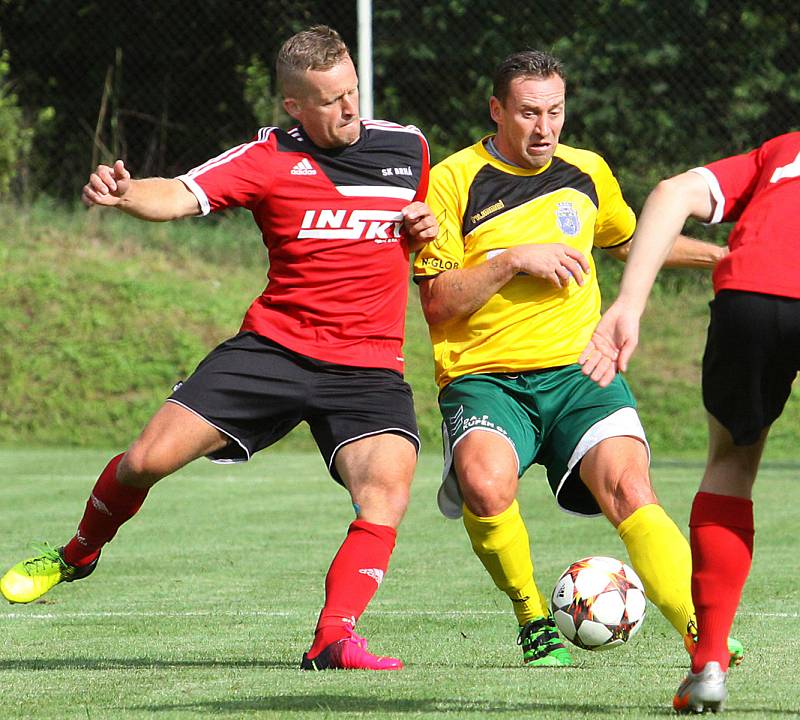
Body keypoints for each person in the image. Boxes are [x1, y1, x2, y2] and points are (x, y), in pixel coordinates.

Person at [0, 25, 438, 672]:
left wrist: (424, 229)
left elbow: (423, 229)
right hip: (274, 349)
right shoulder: (264, 158)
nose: (350, 109)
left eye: (353, 92)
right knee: (145, 460)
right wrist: (125, 194)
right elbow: (179, 194)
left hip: (367, 362)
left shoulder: (408, 148)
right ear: (294, 106)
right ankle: (78, 553)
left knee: (385, 495)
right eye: (331, 100)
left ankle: (333, 638)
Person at [413, 49, 742, 668]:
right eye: (529, 113)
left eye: (556, 112)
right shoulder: (454, 180)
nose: (544, 128)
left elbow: (630, 243)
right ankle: (533, 618)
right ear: (497, 110)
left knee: (630, 485)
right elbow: (437, 304)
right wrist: (514, 258)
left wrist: (726, 259)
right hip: (485, 380)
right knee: (485, 487)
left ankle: (704, 632)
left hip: (579, 372)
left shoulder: (588, 171)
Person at [580, 132, 800, 712]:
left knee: (731, 463)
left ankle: (708, 665)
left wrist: (629, 303)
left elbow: (674, 192)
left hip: (752, 293)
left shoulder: (784, 150)